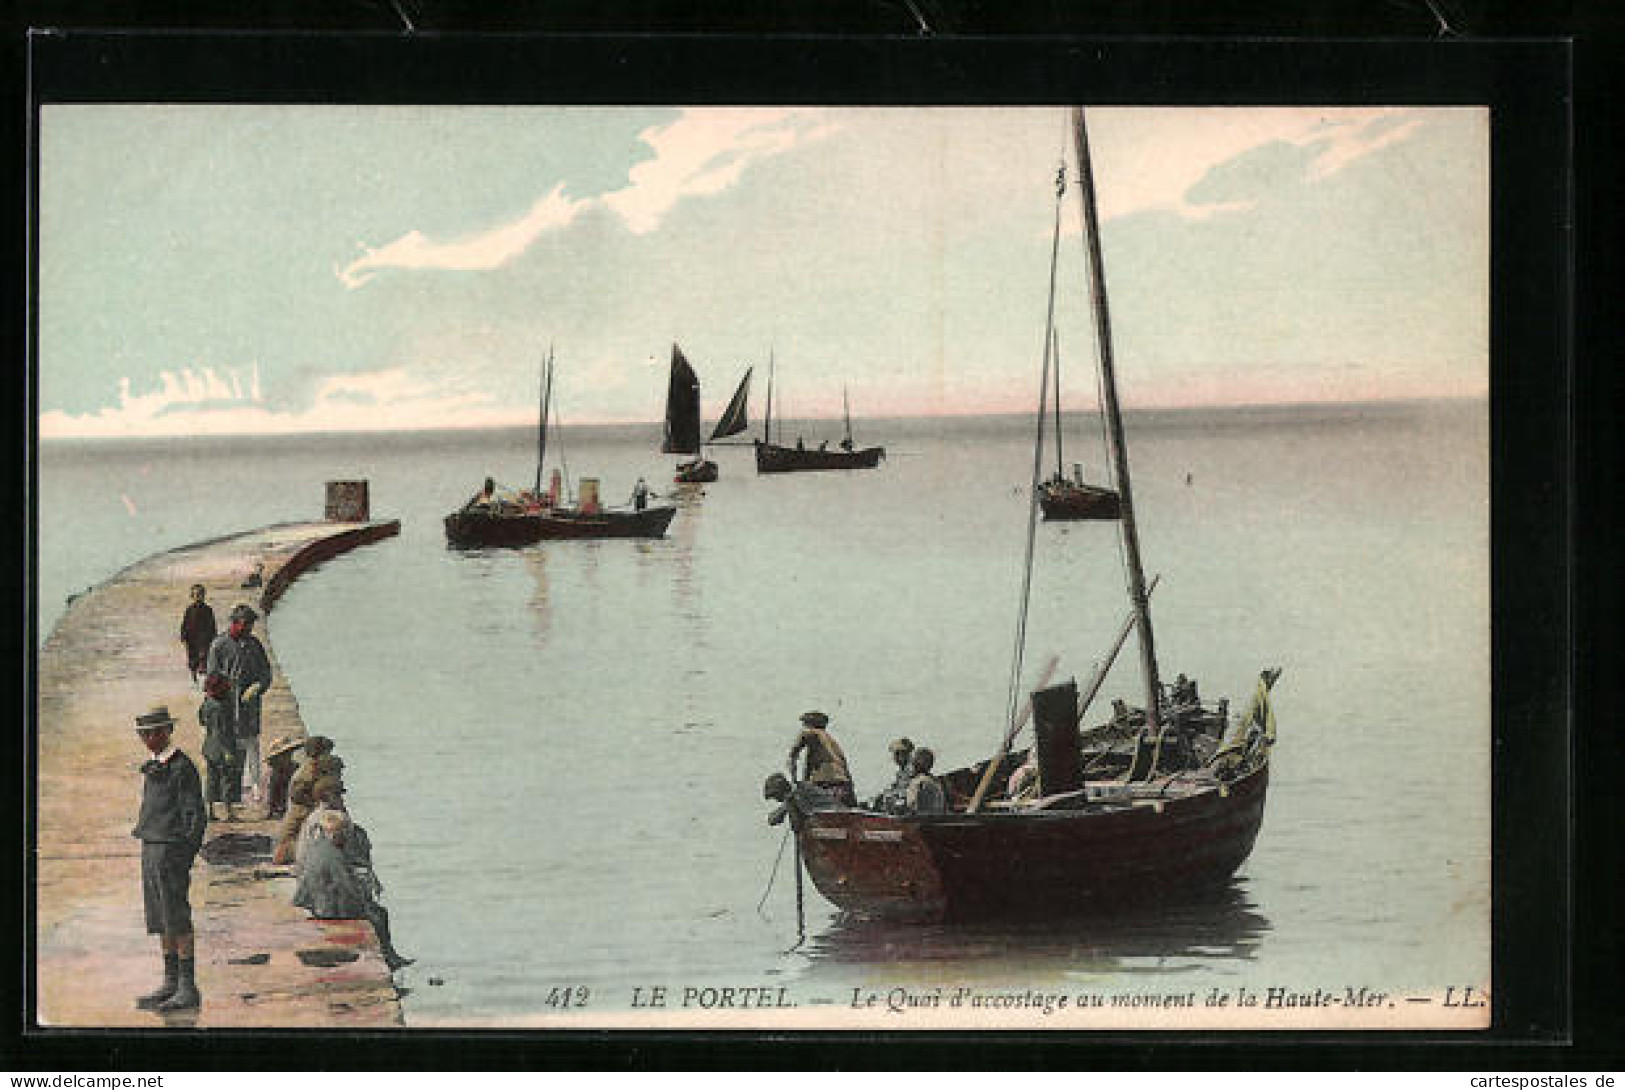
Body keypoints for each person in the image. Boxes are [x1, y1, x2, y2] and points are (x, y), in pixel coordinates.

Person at [130, 705, 206, 1011]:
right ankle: (170, 982)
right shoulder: (154, 765)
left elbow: (195, 818)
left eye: (155, 733)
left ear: (167, 732)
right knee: (160, 918)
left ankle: (188, 989)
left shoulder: (181, 767)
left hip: (170, 851)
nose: (149, 739)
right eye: (144, 734)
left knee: (177, 916)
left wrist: (183, 855)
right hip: (150, 846)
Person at [292, 809, 412, 971]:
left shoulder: (318, 846)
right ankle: (389, 956)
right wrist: (365, 904)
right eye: (343, 833)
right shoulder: (332, 855)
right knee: (379, 915)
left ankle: (390, 955)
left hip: (313, 900)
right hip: (325, 908)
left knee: (375, 910)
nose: (347, 836)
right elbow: (347, 888)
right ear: (336, 834)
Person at [207, 604, 273, 805]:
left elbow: (266, 674)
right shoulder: (218, 645)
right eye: (246, 624)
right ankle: (227, 793)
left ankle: (255, 787)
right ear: (235, 623)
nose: (249, 629)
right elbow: (211, 677)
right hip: (226, 706)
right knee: (227, 748)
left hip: (249, 707)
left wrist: (257, 687)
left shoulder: (255, 645)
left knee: (251, 744)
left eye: (251, 625)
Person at [273, 736, 343, 865]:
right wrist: (316, 804)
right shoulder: (308, 770)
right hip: (292, 834)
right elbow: (296, 795)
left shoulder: (312, 768)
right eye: (327, 753)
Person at [786, 711, 855, 806]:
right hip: (842, 785)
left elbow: (793, 755)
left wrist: (794, 780)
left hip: (824, 783)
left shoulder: (810, 733)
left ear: (808, 724)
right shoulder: (832, 743)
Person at [198, 672, 241, 822]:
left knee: (211, 779)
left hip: (209, 746)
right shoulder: (224, 705)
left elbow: (202, 721)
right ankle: (229, 812)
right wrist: (228, 751)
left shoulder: (207, 703)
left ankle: (210, 812)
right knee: (227, 779)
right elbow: (224, 731)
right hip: (223, 747)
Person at [762, 772, 838, 827]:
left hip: (835, 823)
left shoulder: (800, 792)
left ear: (780, 791)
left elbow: (810, 816)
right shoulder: (793, 796)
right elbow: (772, 820)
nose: (776, 799)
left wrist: (788, 805)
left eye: (775, 796)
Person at [178, 585, 217, 685]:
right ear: (192, 596)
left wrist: (213, 639)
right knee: (192, 662)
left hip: (204, 640)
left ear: (204, 596)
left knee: (204, 662)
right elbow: (184, 625)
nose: (198, 597)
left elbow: (212, 626)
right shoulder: (189, 610)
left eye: (200, 595)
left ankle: (205, 683)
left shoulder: (208, 610)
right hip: (191, 640)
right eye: (196, 595)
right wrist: (183, 637)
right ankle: (194, 681)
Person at [262, 734, 304, 820]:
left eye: (289, 753)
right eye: (284, 755)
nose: (288, 757)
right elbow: (270, 795)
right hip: (281, 806)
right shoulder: (274, 775)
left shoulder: (296, 768)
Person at [870, 737, 915, 812]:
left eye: (897, 754)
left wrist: (890, 794)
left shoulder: (911, 770)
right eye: (895, 754)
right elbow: (897, 787)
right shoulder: (902, 771)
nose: (895, 758)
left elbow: (907, 790)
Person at [905, 747, 947, 815]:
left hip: (922, 821)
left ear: (917, 764)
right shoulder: (935, 781)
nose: (909, 767)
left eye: (912, 763)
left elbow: (912, 806)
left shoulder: (919, 782)